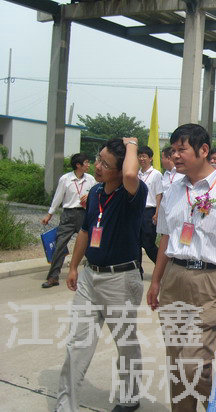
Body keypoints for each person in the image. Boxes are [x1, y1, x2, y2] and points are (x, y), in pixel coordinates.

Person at [146, 124, 216, 411]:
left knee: (192, 363)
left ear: (204, 150)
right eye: (173, 150)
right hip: (174, 279)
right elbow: (165, 238)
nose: (175, 155)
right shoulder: (173, 189)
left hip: (211, 282)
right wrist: (156, 281)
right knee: (177, 360)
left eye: (182, 149)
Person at [56, 137, 146, 412]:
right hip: (89, 277)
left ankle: (129, 398)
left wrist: (132, 145)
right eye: (98, 159)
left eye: (106, 164)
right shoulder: (95, 192)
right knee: (77, 344)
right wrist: (74, 266)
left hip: (120, 280)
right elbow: (86, 230)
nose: (97, 166)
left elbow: (130, 174)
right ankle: (65, 405)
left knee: (125, 343)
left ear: (120, 170)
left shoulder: (133, 193)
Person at [40, 153, 96, 288]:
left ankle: (93, 275)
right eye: (86, 162)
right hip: (68, 216)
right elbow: (58, 197)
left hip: (85, 215)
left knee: (91, 245)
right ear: (78, 165)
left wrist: (89, 196)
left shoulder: (90, 179)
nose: (89, 165)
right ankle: (53, 277)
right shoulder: (65, 179)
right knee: (60, 245)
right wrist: (49, 214)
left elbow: (97, 193)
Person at [137, 146, 163, 264]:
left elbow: (159, 195)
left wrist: (157, 213)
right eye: (140, 156)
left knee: (148, 244)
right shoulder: (136, 174)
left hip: (149, 211)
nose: (141, 159)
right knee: (136, 243)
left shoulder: (156, 174)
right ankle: (138, 270)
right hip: (137, 211)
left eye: (144, 156)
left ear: (150, 158)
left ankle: (161, 267)